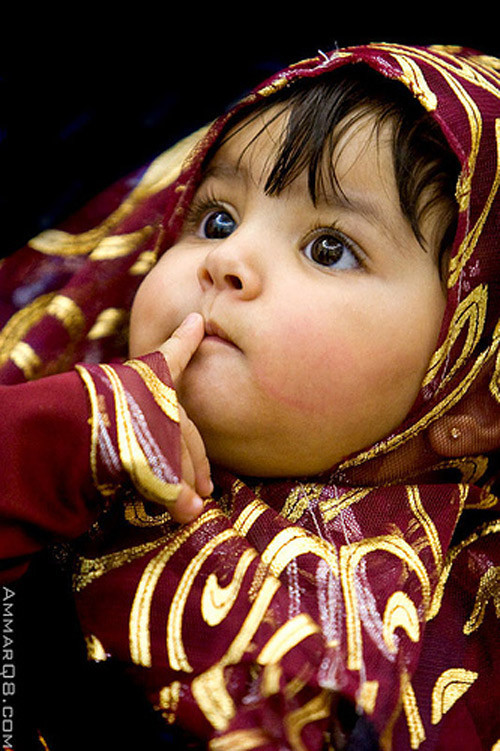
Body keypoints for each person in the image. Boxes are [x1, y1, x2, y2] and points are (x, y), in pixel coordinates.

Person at [0, 42, 499, 751]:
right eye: (215, 219)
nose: (225, 261)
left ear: (470, 385)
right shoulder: (64, 431)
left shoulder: (456, 640)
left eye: (329, 247)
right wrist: (59, 440)